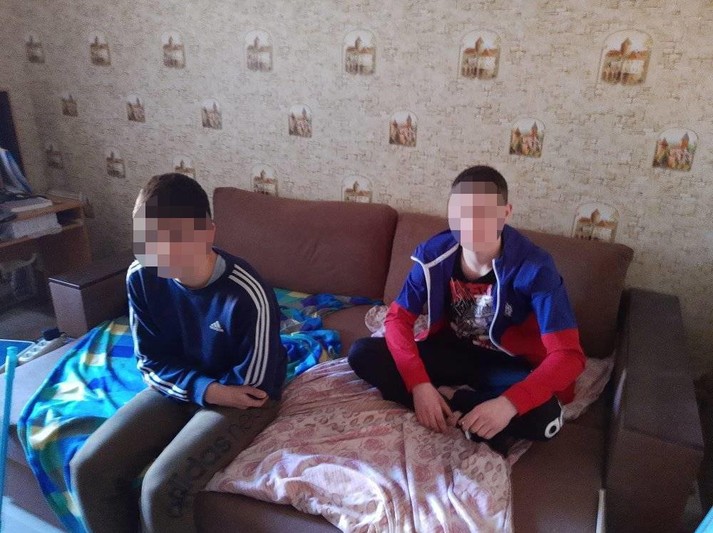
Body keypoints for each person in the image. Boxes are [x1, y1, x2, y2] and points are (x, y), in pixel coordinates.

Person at [70, 173, 286, 532]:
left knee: (161, 488)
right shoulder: (141, 276)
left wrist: (208, 392)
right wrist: (204, 389)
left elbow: (254, 386)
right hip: (191, 386)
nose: (161, 252)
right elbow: (149, 361)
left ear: (207, 233)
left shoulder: (248, 292)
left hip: (243, 398)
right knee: (88, 468)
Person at [348, 165, 585, 453]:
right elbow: (398, 319)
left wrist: (508, 404)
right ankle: (459, 411)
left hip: (506, 363)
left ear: (505, 213)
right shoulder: (433, 254)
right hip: (451, 353)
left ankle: (455, 403)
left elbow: (568, 356)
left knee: (547, 417)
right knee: (363, 353)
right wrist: (419, 385)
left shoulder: (535, 268)